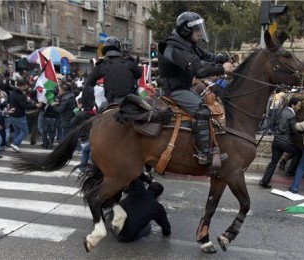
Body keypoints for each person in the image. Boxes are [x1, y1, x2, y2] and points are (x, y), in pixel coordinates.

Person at [157, 11, 233, 165]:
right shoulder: (172, 46)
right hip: (174, 90)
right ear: (186, 30)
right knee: (202, 110)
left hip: (184, 88)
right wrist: (221, 69)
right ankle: (204, 154)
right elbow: (199, 69)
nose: (199, 32)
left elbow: (207, 56)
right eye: (196, 29)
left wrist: (221, 58)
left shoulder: (188, 45)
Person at [108, 177, 171, 243]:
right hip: (124, 237)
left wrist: (148, 180)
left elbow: (135, 175)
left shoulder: (138, 188)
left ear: (148, 187)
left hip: (113, 228)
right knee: (148, 225)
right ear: (158, 195)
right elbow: (166, 230)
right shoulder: (158, 207)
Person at [83, 36, 142, 105]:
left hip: (112, 102)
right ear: (119, 49)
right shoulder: (129, 62)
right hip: (131, 99)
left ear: (104, 50)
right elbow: (139, 74)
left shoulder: (102, 65)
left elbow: (89, 83)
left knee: (99, 113)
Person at [259, 97, 302, 188]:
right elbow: (294, 130)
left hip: (276, 141)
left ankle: (264, 181)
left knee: (273, 163)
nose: (299, 108)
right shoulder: (292, 116)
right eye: (298, 106)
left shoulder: (281, 111)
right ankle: (291, 172)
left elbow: (275, 123)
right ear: (293, 105)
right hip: (285, 143)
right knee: (299, 152)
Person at [278, 86, 304, 171]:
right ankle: (291, 170)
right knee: (300, 149)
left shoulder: (295, 96)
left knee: (296, 146)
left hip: (292, 124)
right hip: (301, 127)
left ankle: (284, 161)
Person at [9, 79, 42, 152]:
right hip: (19, 115)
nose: (25, 88)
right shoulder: (19, 94)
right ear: (21, 86)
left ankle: (15, 146)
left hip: (13, 115)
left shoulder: (13, 92)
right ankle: (15, 143)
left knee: (17, 131)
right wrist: (35, 105)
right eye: (24, 86)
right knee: (25, 131)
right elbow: (24, 105)